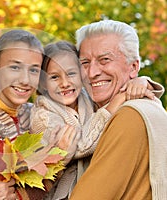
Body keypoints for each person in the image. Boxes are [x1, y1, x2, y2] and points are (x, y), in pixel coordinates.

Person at [30, 40, 164, 199]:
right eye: (54, 77)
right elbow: (78, 147)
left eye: (71, 73)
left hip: (97, 182)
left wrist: (140, 82)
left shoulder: (86, 98)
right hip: (63, 195)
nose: (65, 83)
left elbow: (118, 95)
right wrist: (113, 105)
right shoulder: (42, 116)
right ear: (43, 84)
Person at [0, 29, 78, 200]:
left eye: (34, 70)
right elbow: (4, 198)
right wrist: (59, 160)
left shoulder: (32, 114)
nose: (25, 80)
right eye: (15, 67)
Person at [69, 20, 167, 199]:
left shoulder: (129, 116)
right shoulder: (148, 108)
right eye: (84, 62)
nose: (92, 72)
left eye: (104, 60)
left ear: (134, 67)